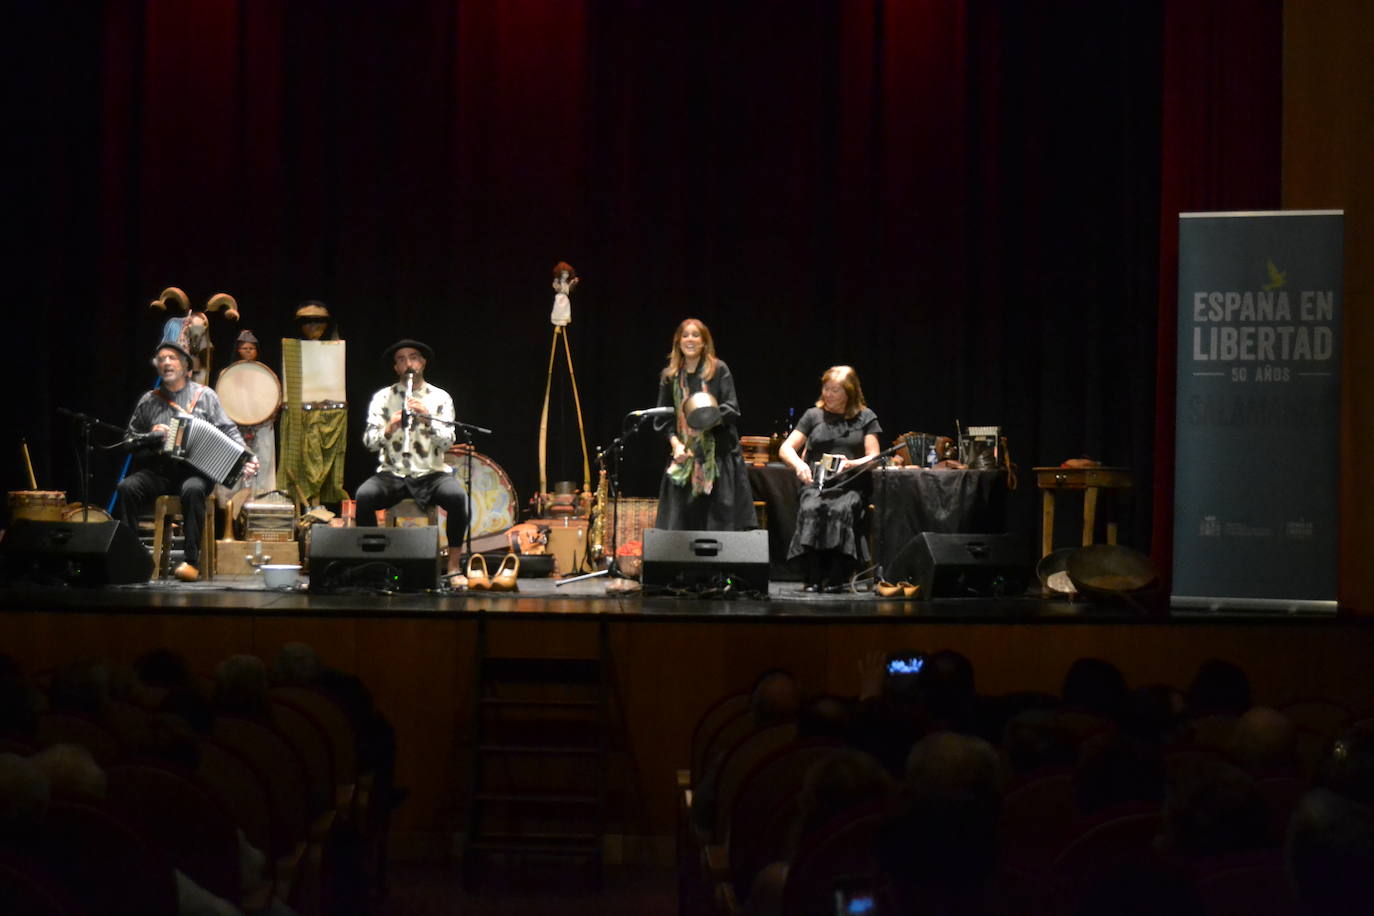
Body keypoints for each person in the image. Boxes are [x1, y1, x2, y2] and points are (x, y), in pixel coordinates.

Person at [117, 342, 258, 581]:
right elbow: (130, 441)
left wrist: (247, 457)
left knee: (192, 490)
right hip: (160, 470)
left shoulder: (204, 396)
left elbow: (229, 430)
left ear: (185, 367)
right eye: (161, 359)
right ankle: (133, 556)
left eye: (172, 358)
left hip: (196, 471)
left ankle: (191, 561)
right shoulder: (149, 400)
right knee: (127, 487)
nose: (166, 363)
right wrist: (151, 435)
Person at [356, 339, 469, 576]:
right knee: (364, 497)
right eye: (401, 359)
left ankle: (453, 566)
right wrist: (390, 428)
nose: (409, 363)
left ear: (423, 362)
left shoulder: (440, 398)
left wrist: (428, 419)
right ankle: (373, 565)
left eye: (414, 357)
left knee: (458, 498)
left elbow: (448, 441)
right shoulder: (382, 398)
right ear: (396, 367)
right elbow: (369, 442)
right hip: (393, 473)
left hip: (431, 473)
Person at [778, 366, 881, 591]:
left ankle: (837, 575)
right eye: (826, 388)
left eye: (835, 390)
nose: (828, 394)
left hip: (850, 485)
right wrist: (798, 464)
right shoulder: (813, 415)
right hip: (817, 483)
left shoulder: (865, 417)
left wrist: (851, 464)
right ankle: (813, 576)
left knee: (840, 509)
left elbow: (874, 457)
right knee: (811, 507)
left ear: (849, 393)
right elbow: (786, 448)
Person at [652, 318, 755, 531]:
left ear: (704, 342)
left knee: (719, 525)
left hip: (719, 456)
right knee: (682, 525)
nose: (690, 339)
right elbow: (663, 418)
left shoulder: (718, 369)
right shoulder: (670, 376)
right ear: (678, 341)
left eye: (695, 335)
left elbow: (731, 408)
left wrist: (704, 421)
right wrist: (676, 445)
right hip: (685, 457)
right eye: (685, 335)